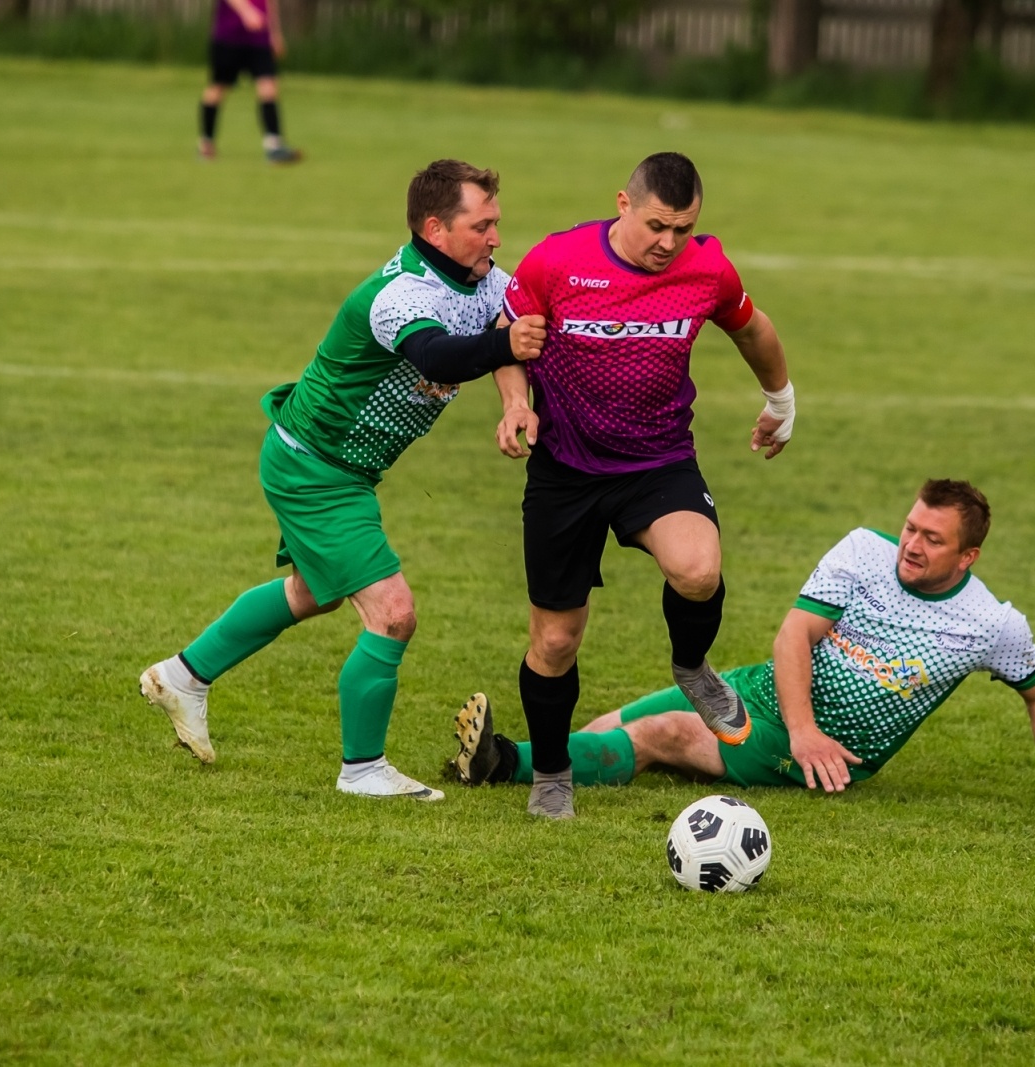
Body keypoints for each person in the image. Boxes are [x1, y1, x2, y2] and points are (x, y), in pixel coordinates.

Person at [140, 159, 547, 802]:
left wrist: (515, 402)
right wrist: (509, 348)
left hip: (335, 467)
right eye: (483, 224)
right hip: (315, 470)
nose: (497, 237)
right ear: (436, 228)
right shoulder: (401, 295)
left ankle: (183, 676)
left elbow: (503, 330)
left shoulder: (486, 280)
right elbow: (439, 356)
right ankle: (362, 770)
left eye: (498, 222)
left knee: (312, 593)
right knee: (393, 614)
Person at [450, 479, 1035, 814]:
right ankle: (529, 766)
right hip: (763, 693)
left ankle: (500, 759)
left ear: (969, 553)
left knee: (659, 732)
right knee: (610, 729)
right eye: (912, 527)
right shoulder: (866, 552)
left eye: (933, 538)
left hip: (824, 752)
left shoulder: (991, 624)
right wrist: (797, 723)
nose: (913, 545)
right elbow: (794, 633)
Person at [488, 151, 797, 819]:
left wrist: (782, 399)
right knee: (556, 638)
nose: (668, 243)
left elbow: (754, 328)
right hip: (565, 470)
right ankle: (550, 774)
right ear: (623, 205)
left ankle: (692, 665)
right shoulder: (557, 261)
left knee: (697, 569)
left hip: (656, 461)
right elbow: (508, 338)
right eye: (658, 225)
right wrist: (516, 403)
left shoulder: (707, 268)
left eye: (682, 229)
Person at [198, 0, 302, 163]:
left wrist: (275, 34)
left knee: (269, 87)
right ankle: (206, 144)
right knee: (218, 87)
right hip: (229, 36)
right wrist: (247, 11)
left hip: (260, 38)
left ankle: (274, 146)